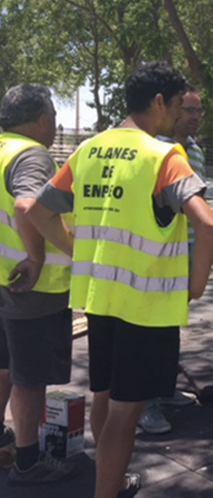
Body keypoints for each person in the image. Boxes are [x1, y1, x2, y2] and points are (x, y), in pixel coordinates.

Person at [29, 62, 213, 498]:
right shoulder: (163, 156)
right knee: (125, 413)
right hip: (146, 304)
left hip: (100, 297)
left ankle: (109, 481)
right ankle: (105, 492)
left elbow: (39, 213)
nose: (178, 116)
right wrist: (196, 284)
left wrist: (78, 250)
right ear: (158, 102)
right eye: (176, 106)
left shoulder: (89, 150)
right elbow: (207, 226)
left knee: (105, 394)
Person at [0, 84, 76, 484]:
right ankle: (28, 460)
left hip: (1, 282)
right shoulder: (31, 155)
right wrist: (42, 255)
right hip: (31, 288)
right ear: (44, 120)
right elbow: (27, 206)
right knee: (30, 376)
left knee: (4, 364)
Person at [140, 86, 206, 434]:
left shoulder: (193, 150)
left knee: (170, 324)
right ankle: (146, 404)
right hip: (160, 252)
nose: (193, 116)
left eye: (198, 110)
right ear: (172, 109)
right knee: (151, 328)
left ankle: (164, 390)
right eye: (188, 109)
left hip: (187, 250)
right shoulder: (157, 148)